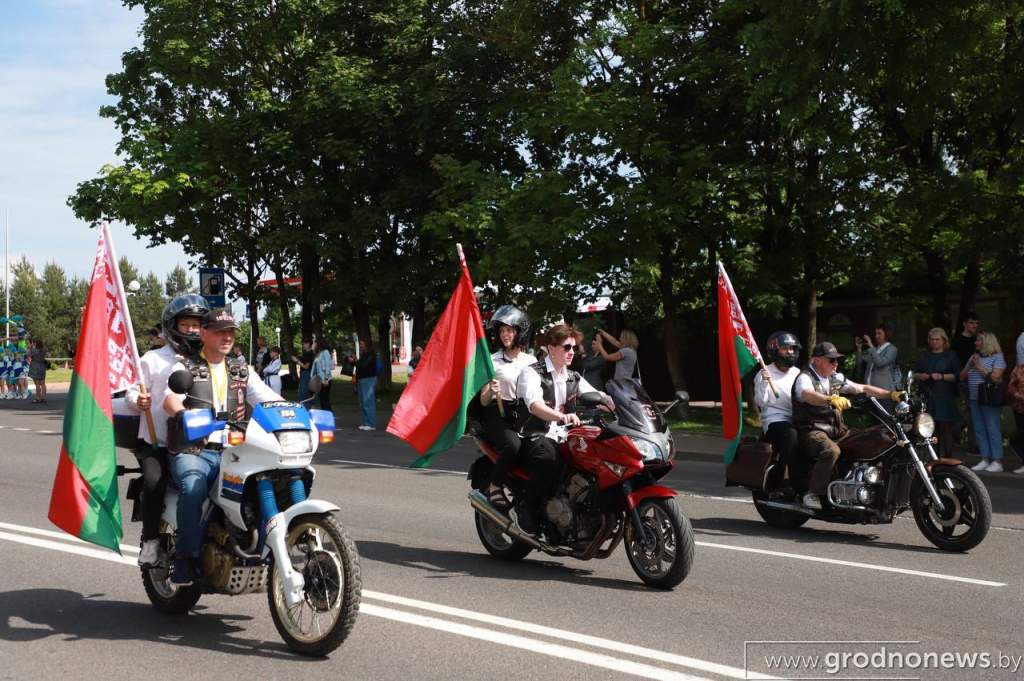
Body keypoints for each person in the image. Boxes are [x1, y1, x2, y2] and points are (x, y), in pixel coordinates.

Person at [162, 309, 282, 583]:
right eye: (219, 331)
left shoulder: (242, 369)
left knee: (273, 483)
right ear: (203, 333)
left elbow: (267, 398)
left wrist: (293, 412)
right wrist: (183, 414)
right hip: (196, 450)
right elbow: (170, 399)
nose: (227, 337)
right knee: (193, 488)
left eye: (230, 332)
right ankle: (185, 557)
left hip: (236, 451)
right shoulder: (185, 367)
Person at [124, 293, 210, 567]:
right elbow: (130, 390)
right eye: (187, 325)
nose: (193, 330)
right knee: (153, 480)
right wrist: (138, 400)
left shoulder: (210, 359)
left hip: (202, 441)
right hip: (159, 442)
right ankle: (150, 542)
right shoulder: (153, 359)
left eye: (198, 325)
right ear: (173, 326)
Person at [513, 324, 612, 533]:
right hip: (536, 433)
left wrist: (616, 402)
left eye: (574, 348)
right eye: (567, 348)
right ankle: (527, 506)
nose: (572, 352)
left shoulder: (573, 377)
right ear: (551, 348)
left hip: (566, 435)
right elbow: (535, 405)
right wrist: (561, 416)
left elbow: (598, 396)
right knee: (549, 458)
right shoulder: (532, 373)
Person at [793, 342, 905, 509]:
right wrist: (829, 399)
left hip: (838, 431)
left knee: (873, 439)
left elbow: (862, 387)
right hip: (813, 430)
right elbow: (807, 395)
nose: (835, 363)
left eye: (836, 360)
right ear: (816, 361)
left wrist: (891, 394)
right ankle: (813, 493)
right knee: (831, 451)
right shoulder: (805, 377)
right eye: (831, 360)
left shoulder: (835, 378)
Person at [475, 305, 535, 509]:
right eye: (501, 331)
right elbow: (483, 401)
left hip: (525, 415)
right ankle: (495, 485)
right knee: (513, 445)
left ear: (520, 331)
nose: (504, 335)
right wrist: (491, 390)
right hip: (498, 415)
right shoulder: (492, 361)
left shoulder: (532, 361)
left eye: (509, 330)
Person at [755, 331, 802, 483]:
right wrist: (764, 382)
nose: (790, 352)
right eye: (785, 348)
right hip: (775, 420)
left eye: (793, 348)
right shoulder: (765, 373)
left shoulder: (798, 373)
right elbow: (761, 402)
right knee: (791, 434)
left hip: (797, 418)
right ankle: (785, 478)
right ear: (775, 351)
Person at [961, 331, 1007, 473]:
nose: (976, 343)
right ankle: (985, 458)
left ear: (987, 342)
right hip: (975, 398)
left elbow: (995, 378)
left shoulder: (998, 357)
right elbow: (962, 376)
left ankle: (997, 461)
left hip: (990, 398)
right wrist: (970, 364)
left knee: (992, 429)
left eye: (979, 341)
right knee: (979, 429)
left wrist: (979, 366)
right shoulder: (974, 357)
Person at [912, 328, 960, 457]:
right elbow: (914, 374)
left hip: (944, 395)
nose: (934, 342)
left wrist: (942, 377)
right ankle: (932, 458)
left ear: (944, 341)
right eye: (932, 340)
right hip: (927, 396)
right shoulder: (923, 356)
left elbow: (957, 376)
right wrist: (920, 376)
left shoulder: (951, 355)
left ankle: (948, 458)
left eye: (937, 339)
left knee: (946, 428)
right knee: (929, 428)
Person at [952, 312, 980, 452]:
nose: (974, 325)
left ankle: (956, 429)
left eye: (976, 323)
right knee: (973, 411)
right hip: (964, 379)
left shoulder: (977, 341)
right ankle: (973, 445)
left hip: (977, 379)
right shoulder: (957, 341)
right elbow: (954, 363)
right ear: (964, 324)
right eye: (971, 322)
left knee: (973, 412)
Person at [855, 323, 899, 410]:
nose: (876, 336)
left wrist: (871, 345)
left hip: (884, 392)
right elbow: (859, 364)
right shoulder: (874, 349)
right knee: (873, 421)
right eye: (875, 333)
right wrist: (859, 349)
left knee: (885, 420)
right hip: (870, 392)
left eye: (879, 333)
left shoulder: (892, 349)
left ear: (886, 334)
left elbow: (880, 363)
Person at [354, 339, 377, 430]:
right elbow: (360, 365)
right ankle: (365, 422)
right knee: (363, 402)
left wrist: (356, 361)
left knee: (368, 401)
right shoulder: (364, 355)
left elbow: (363, 366)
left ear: (367, 345)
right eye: (360, 344)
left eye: (362, 344)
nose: (361, 346)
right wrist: (355, 361)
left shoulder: (371, 354)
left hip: (368, 379)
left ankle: (371, 424)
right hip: (362, 379)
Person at [1006, 362, 1024, 473]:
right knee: (1019, 438)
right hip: (1020, 409)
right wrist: (1017, 394)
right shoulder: (1019, 368)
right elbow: (1011, 386)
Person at [312, 338, 334, 412]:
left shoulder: (325, 352)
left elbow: (328, 366)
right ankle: (325, 417)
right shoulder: (318, 353)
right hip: (319, 380)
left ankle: (329, 417)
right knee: (322, 400)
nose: (314, 345)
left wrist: (326, 378)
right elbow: (314, 368)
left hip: (325, 380)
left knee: (325, 400)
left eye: (315, 343)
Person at [28, 339, 47, 404]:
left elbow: (28, 354)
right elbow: (47, 353)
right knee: (43, 383)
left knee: (37, 384)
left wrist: (30, 347)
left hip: (35, 366)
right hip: (42, 366)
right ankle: (43, 398)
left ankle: (37, 398)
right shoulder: (44, 350)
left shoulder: (34, 350)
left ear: (36, 344)